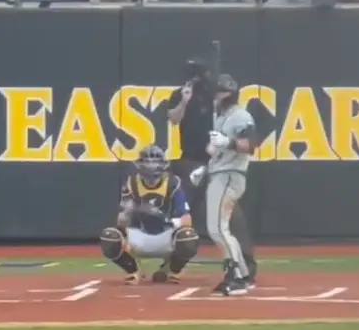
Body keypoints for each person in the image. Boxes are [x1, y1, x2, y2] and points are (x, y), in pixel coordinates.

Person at [168, 61, 258, 286]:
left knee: (226, 222)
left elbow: (247, 141)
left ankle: (243, 269)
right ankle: (173, 265)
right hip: (193, 162)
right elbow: (173, 118)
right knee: (181, 213)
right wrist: (184, 100)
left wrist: (225, 143)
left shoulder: (225, 106)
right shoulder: (182, 95)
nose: (197, 79)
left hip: (223, 167)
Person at [188, 73, 256, 297]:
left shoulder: (240, 116)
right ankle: (242, 274)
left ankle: (235, 277)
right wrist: (204, 169)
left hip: (230, 175)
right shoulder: (220, 118)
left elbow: (250, 145)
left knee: (218, 229)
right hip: (219, 173)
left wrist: (228, 142)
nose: (216, 97)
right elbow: (217, 154)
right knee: (220, 228)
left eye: (219, 93)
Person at [100, 145, 200, 285]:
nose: (151, 166)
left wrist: (166, 220)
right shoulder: (131, 183)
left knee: (189, 237)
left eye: (154, 162)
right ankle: (133, 270)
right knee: (109, 236)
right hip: (139, 235)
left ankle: (170, 269)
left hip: (166, 234)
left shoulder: (172, 183)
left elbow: (186, 219)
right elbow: (121, 221)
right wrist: (130, 211)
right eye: (147, 162)